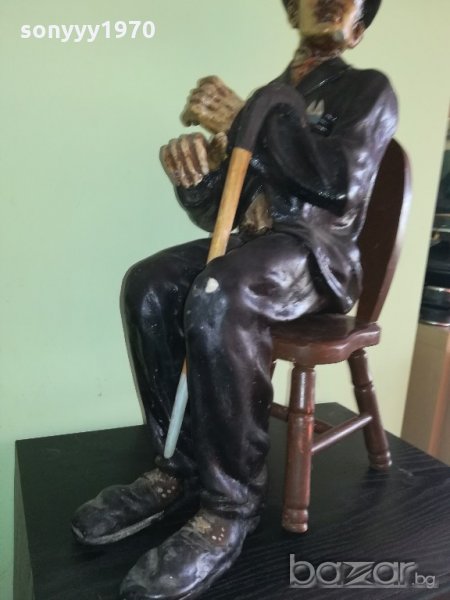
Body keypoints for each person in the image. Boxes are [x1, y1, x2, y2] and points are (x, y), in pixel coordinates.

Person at [72, 1, 397, 598]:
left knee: (221, 289)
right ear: (292, 10)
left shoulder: (367, 91)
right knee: (149, 283)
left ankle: (230, 505)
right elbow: (225, 208)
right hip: (256, 248)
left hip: (316, 257)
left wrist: (248, 118)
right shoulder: (273, 95)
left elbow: (339, 184)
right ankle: (178, 466)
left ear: (356, 30)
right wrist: (197, 179)